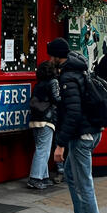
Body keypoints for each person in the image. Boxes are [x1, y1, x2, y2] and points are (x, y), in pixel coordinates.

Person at [48, 36, 104, 213]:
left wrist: (60, 145)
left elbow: (72, 113)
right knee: (72, 174)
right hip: (90, 131)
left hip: (82, 135)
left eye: (50, 55)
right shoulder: (77, 70)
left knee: (84, 184)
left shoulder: (68, 78)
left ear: (56, 56)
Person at [27, 60, 61, 189]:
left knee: (41, 148)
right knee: (43, 150)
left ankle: (44, 177)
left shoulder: (38, 84)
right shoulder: (53, 82)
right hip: (46, 119)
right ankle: (35, 178)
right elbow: (56, 99)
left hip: (35, 119)